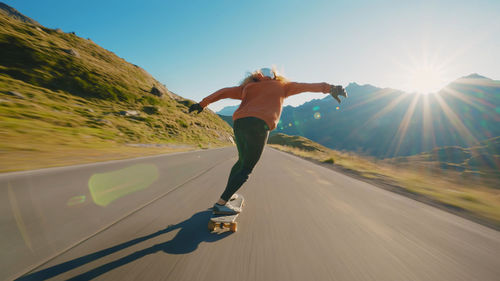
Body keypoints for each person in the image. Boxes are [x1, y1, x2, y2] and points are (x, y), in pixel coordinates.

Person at [189, 67, 347, 215]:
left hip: (239, 123)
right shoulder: (282, 85)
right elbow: (307, 86)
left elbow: (223, 92)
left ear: (257, 76)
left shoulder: (248, 87)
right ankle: (221, 204)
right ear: (275, 75)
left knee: (241, 162)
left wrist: (202, 104)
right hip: (258, 125)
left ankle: (228, 195)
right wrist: (332, 88)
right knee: (247, 168)